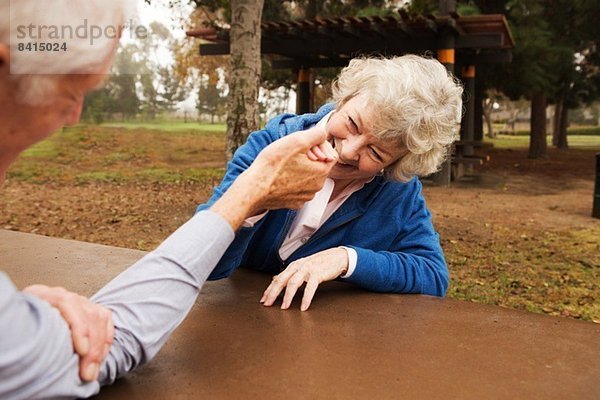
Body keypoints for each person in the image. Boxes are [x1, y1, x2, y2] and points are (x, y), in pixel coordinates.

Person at [0, 1, 336, 398]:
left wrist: (22, 314)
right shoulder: (266, 143)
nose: (74, 116)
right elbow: (106, 345)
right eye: (71, 91)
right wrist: (252, 189)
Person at [196, 55, 464, 311]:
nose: (348, 151)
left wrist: (346, 259)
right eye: (352, 123)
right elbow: (201, 262)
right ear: (344, 99)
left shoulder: (398, 190)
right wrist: (255, 197)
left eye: (376, 152)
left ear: (395, 164)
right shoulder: (271, 145)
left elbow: (432, 275)